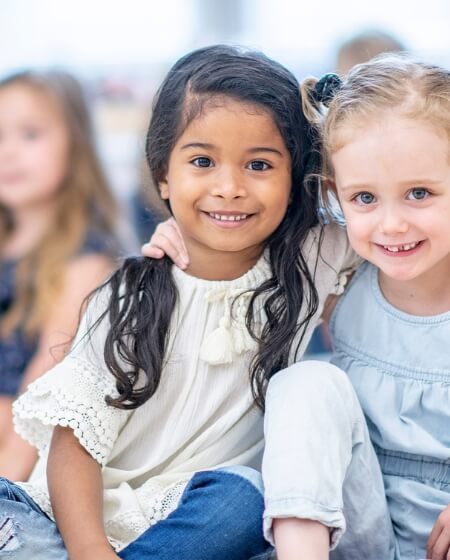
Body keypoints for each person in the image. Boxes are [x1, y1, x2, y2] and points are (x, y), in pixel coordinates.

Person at [0, 45, 357, 560]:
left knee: (248, 498)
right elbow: (73, 445)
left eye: (259, 164)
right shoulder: (131, 294)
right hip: (66, 520)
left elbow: (383, 204)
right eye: (202, 162)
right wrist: (90, 552)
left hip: (189, 515)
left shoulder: (310, 260)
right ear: (164, 174)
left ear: (296, 175)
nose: (229, 188)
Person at [262, 56, 450, 560]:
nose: (391, 224)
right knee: (305, 382)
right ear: (335, 195)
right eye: (364, 198)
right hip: (357, 529)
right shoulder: (339, 267)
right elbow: (232, 250)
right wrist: (178, 237)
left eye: (419, 193)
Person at [0, 70, 120, 481]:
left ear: (76, 147)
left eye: (30, 135)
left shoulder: (86, 261)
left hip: (19, 443)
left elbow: (42, 393)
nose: (8, 153)